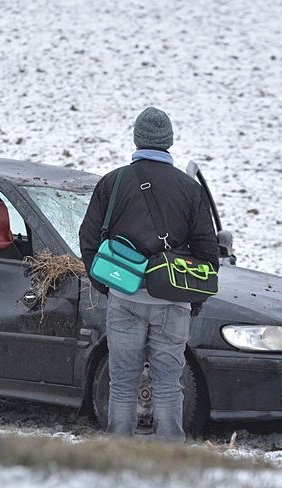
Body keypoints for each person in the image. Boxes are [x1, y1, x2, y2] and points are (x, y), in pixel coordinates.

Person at [79, 107, 219, 442]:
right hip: (172, 300)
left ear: (137, 139)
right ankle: (169, 455)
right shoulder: (189, 189)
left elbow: (88, 238)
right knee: (169, 384)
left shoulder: (113, 182)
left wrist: (107, 285)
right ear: (168, 141)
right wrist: (193, 299)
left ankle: (120, 451)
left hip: (124, 296)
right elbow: (207, 252)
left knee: (123, 383)